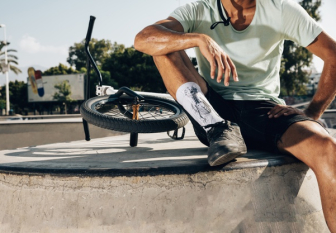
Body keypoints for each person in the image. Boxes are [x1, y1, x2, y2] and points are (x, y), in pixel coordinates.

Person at [134, 0, 336, 231]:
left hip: (265, 110)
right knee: (163, 44)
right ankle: (218, 128)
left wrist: (312, 112)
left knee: (327, 149)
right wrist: (199, 39)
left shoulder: (280, 9)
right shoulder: (200, 9)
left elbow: (333, 54)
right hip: (211, 109)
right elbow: (144, 39)